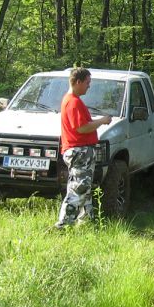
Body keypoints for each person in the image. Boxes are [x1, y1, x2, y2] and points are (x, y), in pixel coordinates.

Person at [55, 67, 112, 228]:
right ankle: (63, 225)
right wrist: (102, 121)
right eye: (87, 82)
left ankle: (87, 221)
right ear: (78, 82)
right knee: (79, 189)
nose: (89, 86)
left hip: (79, 151)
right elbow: (81, 128)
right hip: (79, 151)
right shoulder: (73, 102)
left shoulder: (73, 101)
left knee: (84, 188)